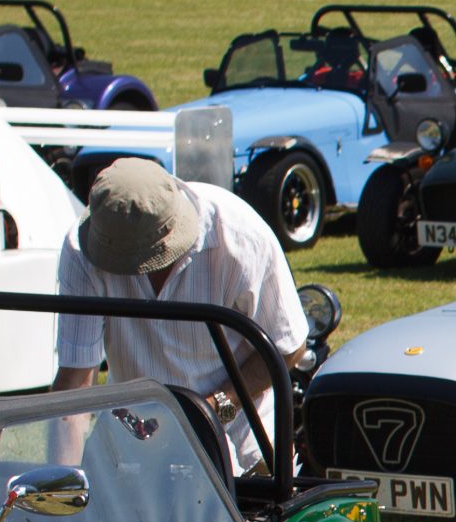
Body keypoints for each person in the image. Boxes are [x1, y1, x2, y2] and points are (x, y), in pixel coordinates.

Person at [50, 160, 307, 475]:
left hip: (241, 441)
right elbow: (73, 386)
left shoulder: (241, 237)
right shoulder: (83, 249)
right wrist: (59, 489)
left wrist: (214, 409)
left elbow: (288, 345)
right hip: (131, 442)